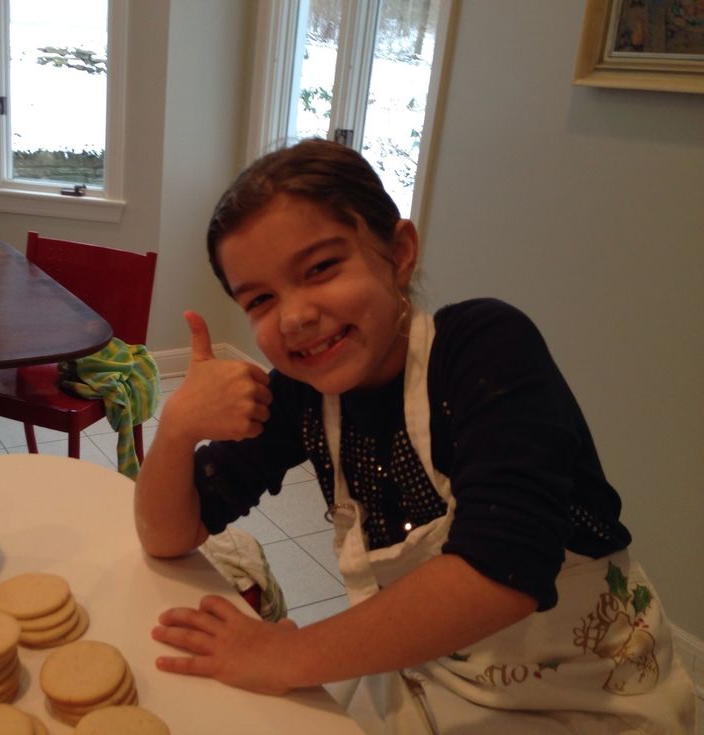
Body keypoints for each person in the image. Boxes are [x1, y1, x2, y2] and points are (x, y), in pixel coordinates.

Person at [133, 139, 698, 733]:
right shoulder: (302, 394)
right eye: (261, 299)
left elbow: (502, 571)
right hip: (420, 678)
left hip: (586, 698)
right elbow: (167, 534)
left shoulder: (486, 346)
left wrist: (283, 655)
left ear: (399, 253)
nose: (294, 315)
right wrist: (177, 428)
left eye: (321, 267)